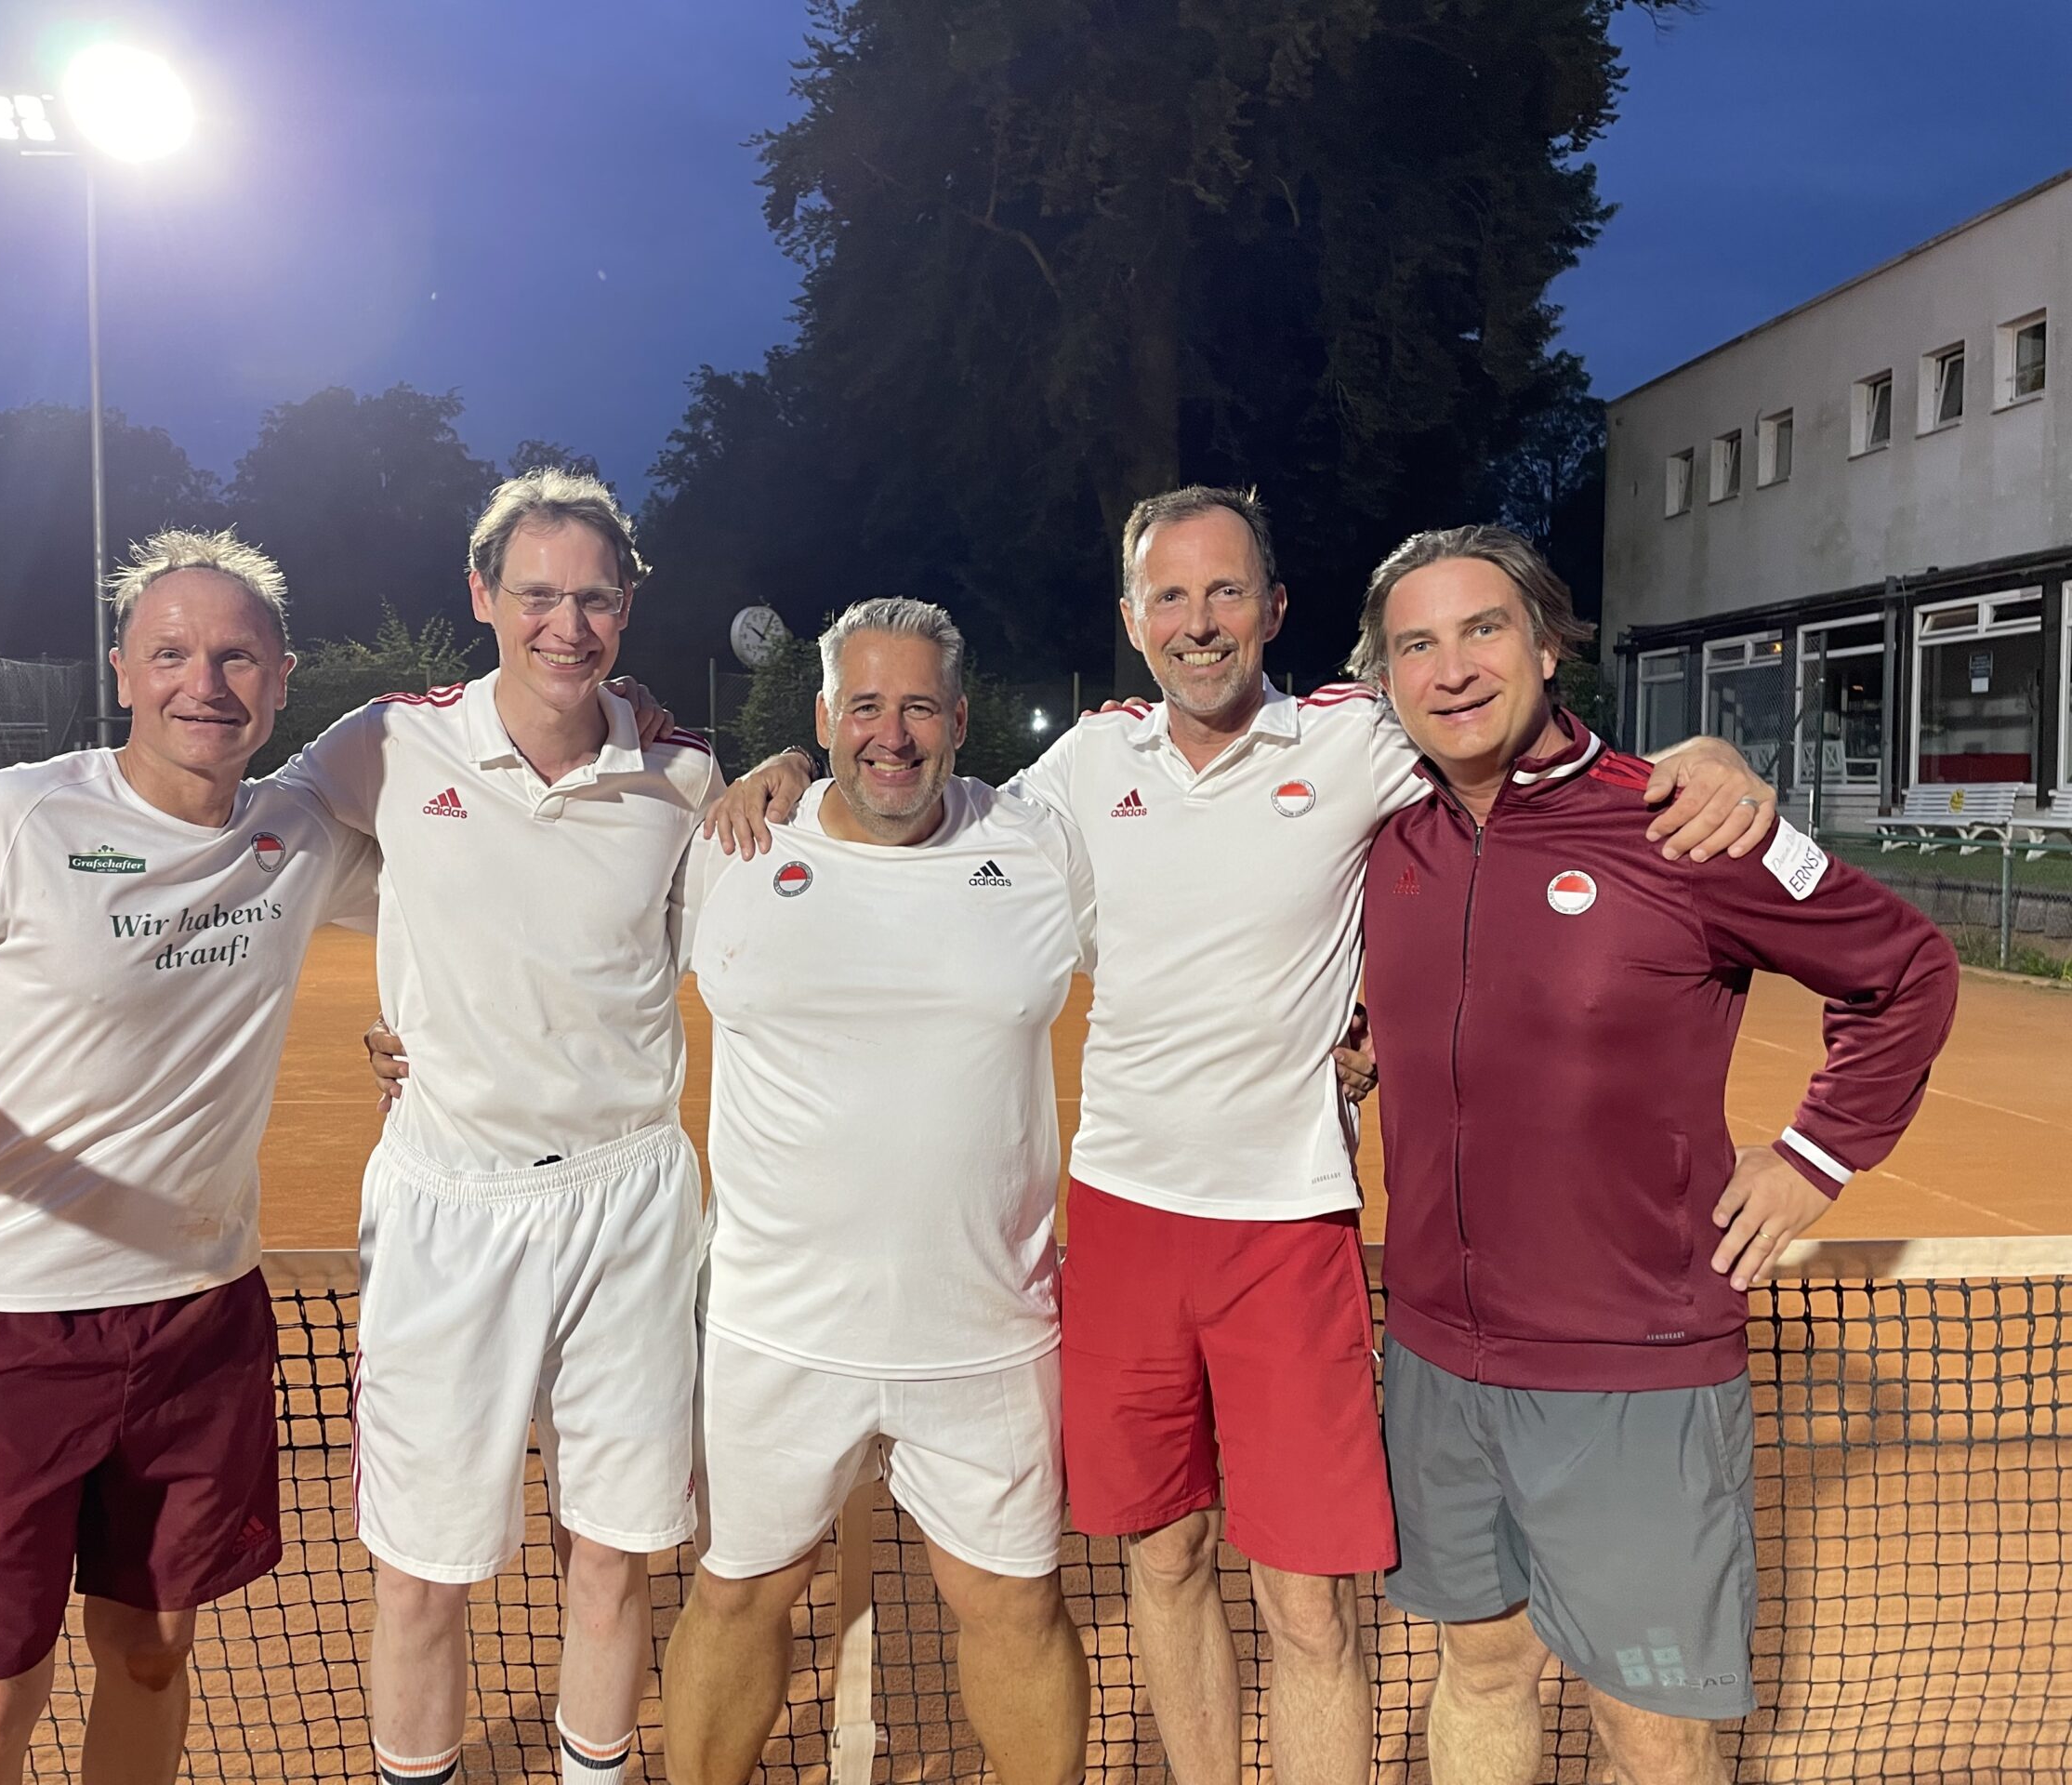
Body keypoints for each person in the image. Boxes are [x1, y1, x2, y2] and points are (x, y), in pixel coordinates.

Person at [706, 485, 1775, 1785]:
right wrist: (791, 769)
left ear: (1274, 610)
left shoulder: (1357, 739)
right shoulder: (1085, 768)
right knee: (1164, 1561)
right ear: (1132, 619)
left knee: (1310, 1603)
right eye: (1170, 596)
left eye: (1226, 594)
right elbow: (918, 804)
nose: (1199, 623)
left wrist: (1703, 755)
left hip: (1288, 1230)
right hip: (1117, 1224)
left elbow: (1508, 736)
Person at [0, 531, 379, 1785]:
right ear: (123, 670)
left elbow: (489, 886)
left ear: (280, 676)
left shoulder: (300, 835)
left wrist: (435, 1029)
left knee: (152, 1654)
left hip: (201, 1322)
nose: (205, 681)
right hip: (9, 1331)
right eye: (172, 652)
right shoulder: (14, 818)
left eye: (236, 656)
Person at [1351, 526, 1959, 1785]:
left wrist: (1816, 1154)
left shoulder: (1682, 820)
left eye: (1483, 629)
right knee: (1480, 1668)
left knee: (1650, 1728)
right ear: (1382, 674)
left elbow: (1905, 969)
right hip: (1435, 1356)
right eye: (1417, 642)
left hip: (1634, 1367)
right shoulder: (1382, 832)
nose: (1452, 668)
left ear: (1547, 643)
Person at [271, 468, 719, 1785]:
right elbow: (268, 847)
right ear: (483, 597)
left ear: (627, 608)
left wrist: (793, 760)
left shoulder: (682, 772)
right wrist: (410, 987)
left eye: (593, 599)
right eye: (537, 595)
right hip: (446, 1205)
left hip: (631, 1200)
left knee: (612, 1556)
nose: (564, 626)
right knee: (419, 1577)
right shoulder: (388, 741)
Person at [662, 599, 1093, 1783]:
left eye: (916, 707)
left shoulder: (1042, 845)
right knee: (743, 1593)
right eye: (862, 706)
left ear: (959, 718)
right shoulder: (729, 849)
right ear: (820, 718)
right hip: (777, 1330)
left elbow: (1193, 958)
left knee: (1012, 1607)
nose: (888, 735)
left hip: (988, 1333)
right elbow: (566, 967)